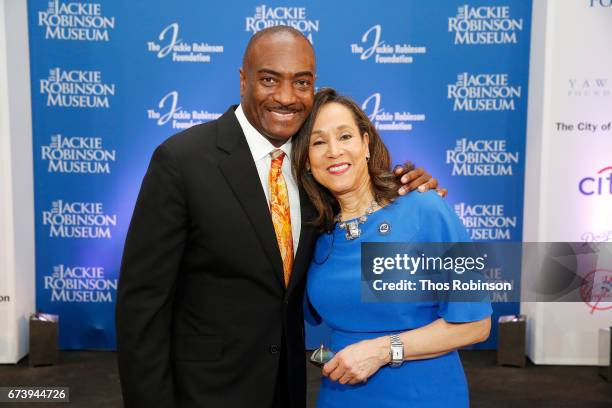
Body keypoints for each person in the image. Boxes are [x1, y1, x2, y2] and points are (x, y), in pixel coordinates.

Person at [115, 27, 441, 408]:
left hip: (289, 388)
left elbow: (368, 214)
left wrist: (413, 186)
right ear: (243, 80)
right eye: (269, 79)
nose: (286, 97)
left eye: (301, 83)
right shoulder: (181, 162)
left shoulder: (315, 170)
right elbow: (142, 306)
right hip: (203, 391)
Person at [292, 88, 492, 407]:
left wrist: (382, 351)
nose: (333, 151)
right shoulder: (311, 232)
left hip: (423, 395)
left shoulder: (426, 209)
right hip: (341, 396)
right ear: (305, 160)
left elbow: (476, 324)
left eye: (344, 136)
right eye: (318, 142)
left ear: (366, 144)